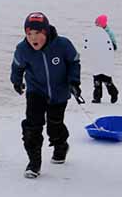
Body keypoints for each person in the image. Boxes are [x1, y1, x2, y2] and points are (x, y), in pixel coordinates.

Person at [10, 11, 82, 178]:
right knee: (32, 126)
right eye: (29, 34)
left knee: (54, 125)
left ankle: (60, 144)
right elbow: (17, 66)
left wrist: (73, 82)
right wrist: (16, 80)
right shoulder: (23, 49)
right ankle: (34, 163)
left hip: (59, 92)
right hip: (36, 91)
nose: (33, 38)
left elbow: (73, 62)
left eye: (37, 33)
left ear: (46, 32)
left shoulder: (62, 45)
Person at [84, 14, 119, 103]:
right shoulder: (95, 33)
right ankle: (97, 97)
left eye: (98, 23)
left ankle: (114, 93)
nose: (96, 25)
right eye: (96, 23)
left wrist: (108, 46)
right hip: (97, 59)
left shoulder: (109, 33)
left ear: (102, 23)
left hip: (105, 60)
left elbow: (114, 46)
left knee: (107, 80)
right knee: (97, 80)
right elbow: (90, 44)